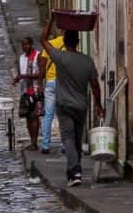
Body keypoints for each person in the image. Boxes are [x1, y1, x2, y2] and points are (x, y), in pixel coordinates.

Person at [40, 19, 103, 187]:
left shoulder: (60, 57)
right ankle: (76, 170)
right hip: (81, 105)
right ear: (78, 42)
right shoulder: (87, 61)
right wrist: (99, 105)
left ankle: (74, 171)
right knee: (77, 137)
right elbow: (95, 85)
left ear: (65, 42)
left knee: (68, 137)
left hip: (65, 105)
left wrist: (53, 20)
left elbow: (43, 40)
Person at [12, 37, 43, 151]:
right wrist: (17, 79)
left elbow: (40, 74)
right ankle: (32, 141)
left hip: (34, 90)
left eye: (27, 45)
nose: (25, 47)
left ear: (31, 44)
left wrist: (25, 76)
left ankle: (35, 142)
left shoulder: (37, 56)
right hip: (25, 90)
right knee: (28, 117)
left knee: (34, 116)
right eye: (23, 45)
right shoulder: (21, 58)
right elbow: (21, 73)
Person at [38, 26, 66, 154]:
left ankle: (45, 145)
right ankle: (65, 145)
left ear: (60, 31)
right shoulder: (70, 46)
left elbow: (42, 66)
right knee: (64, 115)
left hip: (50, 82)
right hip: (64, 83)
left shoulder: (50, 44)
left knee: (48, 115)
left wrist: (39, 83)